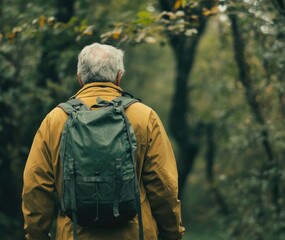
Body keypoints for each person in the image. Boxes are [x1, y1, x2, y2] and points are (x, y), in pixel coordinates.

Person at [22, 43, 185, 240]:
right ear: (119, 76)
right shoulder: (144, 117)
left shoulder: (55, 120)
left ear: (80, 78)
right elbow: (164, 186)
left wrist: (36, 235)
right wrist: (172, 233)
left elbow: (35, 187)